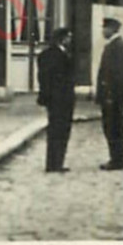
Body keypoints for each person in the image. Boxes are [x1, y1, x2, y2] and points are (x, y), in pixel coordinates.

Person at [95, 16, 123, 170]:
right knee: (111, 127)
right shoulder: (114, 45)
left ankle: (117, 160)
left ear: (112, 29)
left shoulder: (118, 46)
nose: (103, 31)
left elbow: (117, 74)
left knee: (113, 127)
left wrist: (110, 95)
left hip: (112, 96)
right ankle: (115, 158)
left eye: (105, 28)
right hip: (110, 95)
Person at [36, 27, 75, 173]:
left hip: (55, 100)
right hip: (61, 100)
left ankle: (54, 163)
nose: (70, 40)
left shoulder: (47, 55)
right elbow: (48, 79)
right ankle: (56, 163)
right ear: (62, 39)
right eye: (68, 37)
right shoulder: (57, 55)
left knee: (55, 131)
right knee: (60, 131)